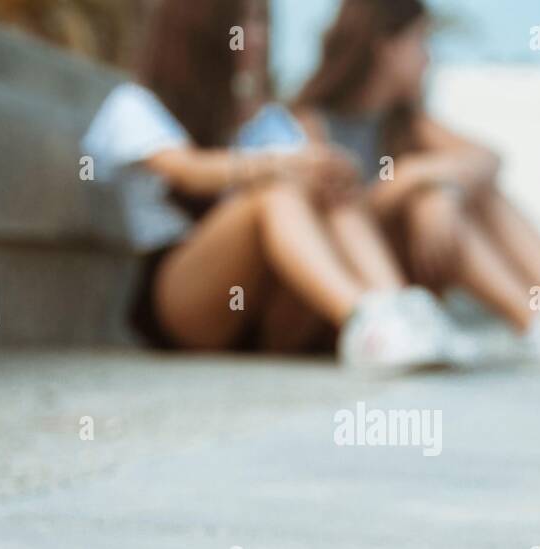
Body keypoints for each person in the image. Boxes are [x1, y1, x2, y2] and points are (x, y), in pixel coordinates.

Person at [82, 0, 475, 370]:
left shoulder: (267, 119)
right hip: (180, 297)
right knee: (278, 189)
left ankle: (397, 308)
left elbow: (314, 188)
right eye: (245, 22)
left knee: (325, 185)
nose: (257, 37)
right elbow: (186, 170)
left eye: (261, 23)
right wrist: (280, 164)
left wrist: (325, 169)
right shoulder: (136, 104)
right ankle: (364, 320)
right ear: (204, 29)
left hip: (260, 308)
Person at [293, 0, 540, 372]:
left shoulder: (406, 121)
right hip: (360, 291)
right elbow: (340, 213)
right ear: (386, 48)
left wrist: (442, 188)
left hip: (414, 272)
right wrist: (413, 181)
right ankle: (536, 322)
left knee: (468, 190)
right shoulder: (311, 122)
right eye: (421, 41)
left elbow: (489, 158)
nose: (429, 58)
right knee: (430, 196)